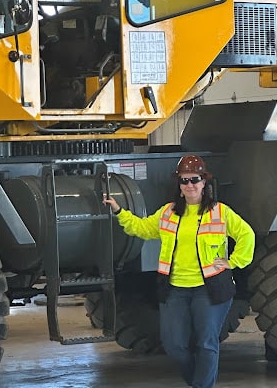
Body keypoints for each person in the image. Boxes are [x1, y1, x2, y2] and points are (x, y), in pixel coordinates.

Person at [103, 154, 255, 388]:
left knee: (206, 343)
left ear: (204, 182)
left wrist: (233, 261)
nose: (190, 185)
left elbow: (246, 235)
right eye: (185, 181)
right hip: (175, 290)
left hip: (210, 289)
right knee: (174, 345)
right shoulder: (168, 212)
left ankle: (201, 385)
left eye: (195, 179)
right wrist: (118, 210)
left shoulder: (220, 212)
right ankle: (198, 381)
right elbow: (142, 228)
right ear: (179, 185)